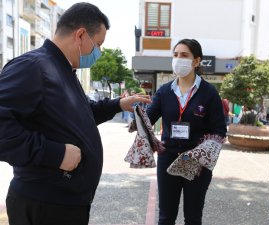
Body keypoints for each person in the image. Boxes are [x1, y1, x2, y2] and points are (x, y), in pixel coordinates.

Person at [0, 3, 150, 225]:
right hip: (44, 204)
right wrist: (54, 153)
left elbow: (80, 115)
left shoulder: (64, 70)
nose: (98, 52)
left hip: (66, 203)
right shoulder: (34, 67)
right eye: (98, 44)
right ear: (80, 35)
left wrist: (118, 104)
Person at [146, 39, 227, 225]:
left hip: (197, 162)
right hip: (168, 158)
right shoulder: (165, 91)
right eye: (175, 55)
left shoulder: (209, 93)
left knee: (192, 217)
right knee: (166, 216)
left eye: (184, 55)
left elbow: (219, 131)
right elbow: (148, 119)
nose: (178, 59)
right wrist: (137, 116)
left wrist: (201, 153)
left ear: (196, 61)